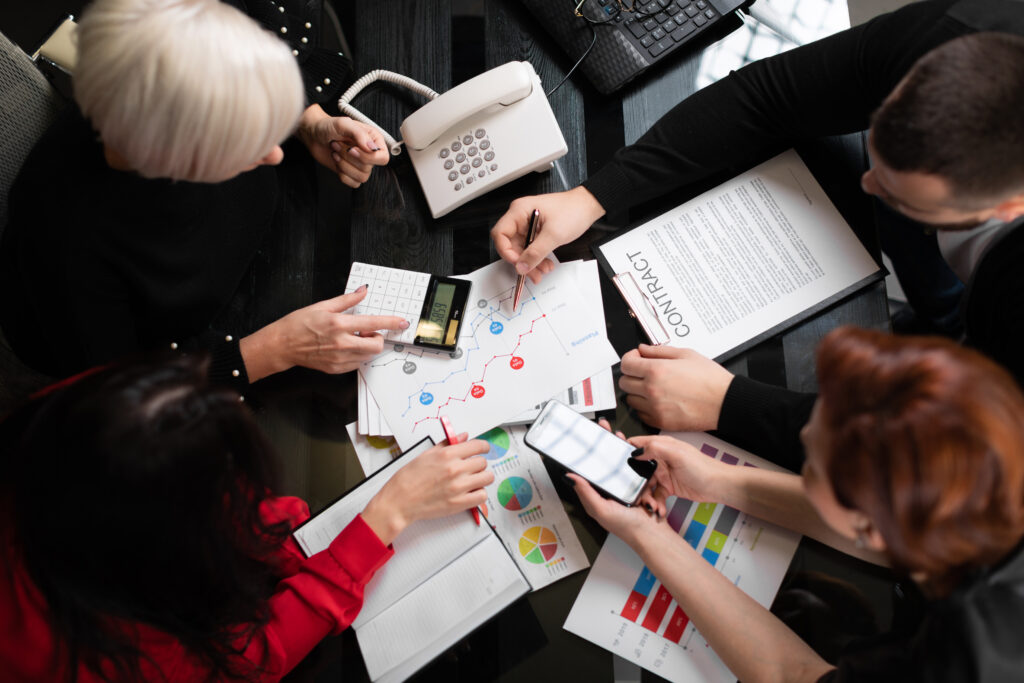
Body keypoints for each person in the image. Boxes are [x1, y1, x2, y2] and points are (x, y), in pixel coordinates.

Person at [490, 0, 1024, 385]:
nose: (869, 184)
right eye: (877, 150)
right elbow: (766, 99)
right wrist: (591, 197)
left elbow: (961, 443)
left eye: (905, 196)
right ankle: (940, 314)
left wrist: (727, 403)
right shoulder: (952, 38)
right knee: (937, 299)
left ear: (1006, 208)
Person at [0, 354, 493, 681]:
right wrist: (388, 514)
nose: (281, 505)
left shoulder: (78, 415)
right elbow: (255, 659)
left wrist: (269, 348)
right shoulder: (113, 656)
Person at [572, 327, 1024, 681]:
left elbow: (794, 674)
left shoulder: (962, 660)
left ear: (871, 528)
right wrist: (716, 481)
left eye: (810, 469)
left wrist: (650, 536)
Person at [0, 0, 398, 393]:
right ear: (173, 161)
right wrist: (277, 348)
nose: (273, 154)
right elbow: (124, 392)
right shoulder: (70, 256)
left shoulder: (169, 66)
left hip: (258, 260)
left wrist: (307, 122)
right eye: (249, 143)